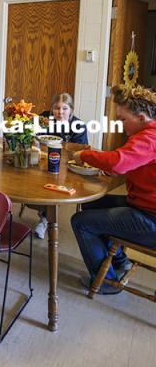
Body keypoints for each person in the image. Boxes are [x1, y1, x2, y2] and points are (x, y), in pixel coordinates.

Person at [71, 84, 156, 294]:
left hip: (150, 218)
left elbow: (118, 162)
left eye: (123, 119)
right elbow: (133, 164)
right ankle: (120, 261)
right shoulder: (149, 134)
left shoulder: (149, 138)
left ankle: (107, 283)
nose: (120, 124)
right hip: (143, 205)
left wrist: (85, 154)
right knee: (90, 203)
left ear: (142, 118)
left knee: (80, 222)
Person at [34, 93, 88, 239]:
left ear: (71, 109)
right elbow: (33, 137)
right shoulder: (44, 119)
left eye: (64, 108)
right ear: (51, 109)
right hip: (43, 162)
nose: (60, 112)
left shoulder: (78, 126)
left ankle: (46, 218)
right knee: (34, 181)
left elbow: (79, 151)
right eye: (56, 108)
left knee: (56, 181)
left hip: (66, 165)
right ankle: (44, 215)